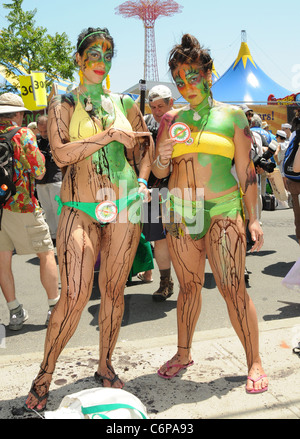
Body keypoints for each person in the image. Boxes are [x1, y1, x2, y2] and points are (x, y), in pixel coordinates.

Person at [24, 27, 153, 412]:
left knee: (115, 292)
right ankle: (45, 374)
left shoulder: (126, 101)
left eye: (108, 53)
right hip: (80, 209)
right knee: (76, 296)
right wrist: (110, 134)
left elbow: (144, 145)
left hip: (126, 207)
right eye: (93, 53)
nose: (101, 60)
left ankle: (105, 364)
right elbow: (61, 155)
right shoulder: (64, 100)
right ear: (79, 59)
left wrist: (144, 180)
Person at [151, 34, 268, 394]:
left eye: (193, 77)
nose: (187, 86)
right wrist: (163, 155)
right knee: (188, 288)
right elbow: (157, 172)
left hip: (223, 210)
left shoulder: (232, 116)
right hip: (180, 213)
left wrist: (253, 219)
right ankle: (183, 353)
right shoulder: (171, 118)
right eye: (181, 81)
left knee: (233, 288)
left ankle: (255, 361)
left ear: (209, 74)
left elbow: (247, 171)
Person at [0, 93, 60, 331]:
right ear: (18, 114)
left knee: (3, 261)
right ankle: (55, 307)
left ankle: (15, 311)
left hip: (1, 209)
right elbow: (39, 171)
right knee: (46, 253)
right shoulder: (23, 133)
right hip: (22, 204)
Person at [138, 85, 174, 301]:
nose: (157, 111)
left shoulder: (183, 123)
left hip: (181, 190)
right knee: (159, 240)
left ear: (171, 103)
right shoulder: (146, 124)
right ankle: (165, 282)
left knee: (182, 238)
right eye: (153, 107)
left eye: (161, 106)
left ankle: (190, 281)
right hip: (153, 191)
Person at [35, 115, 62, 244]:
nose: (43, 134)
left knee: (58, 208)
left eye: (45, 131)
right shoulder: (36, 141)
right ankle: (53, 235)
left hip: (55, 177)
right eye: (40, 131)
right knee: (47, 209)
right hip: (41, 181)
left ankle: (61, 234)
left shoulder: (58, 138)